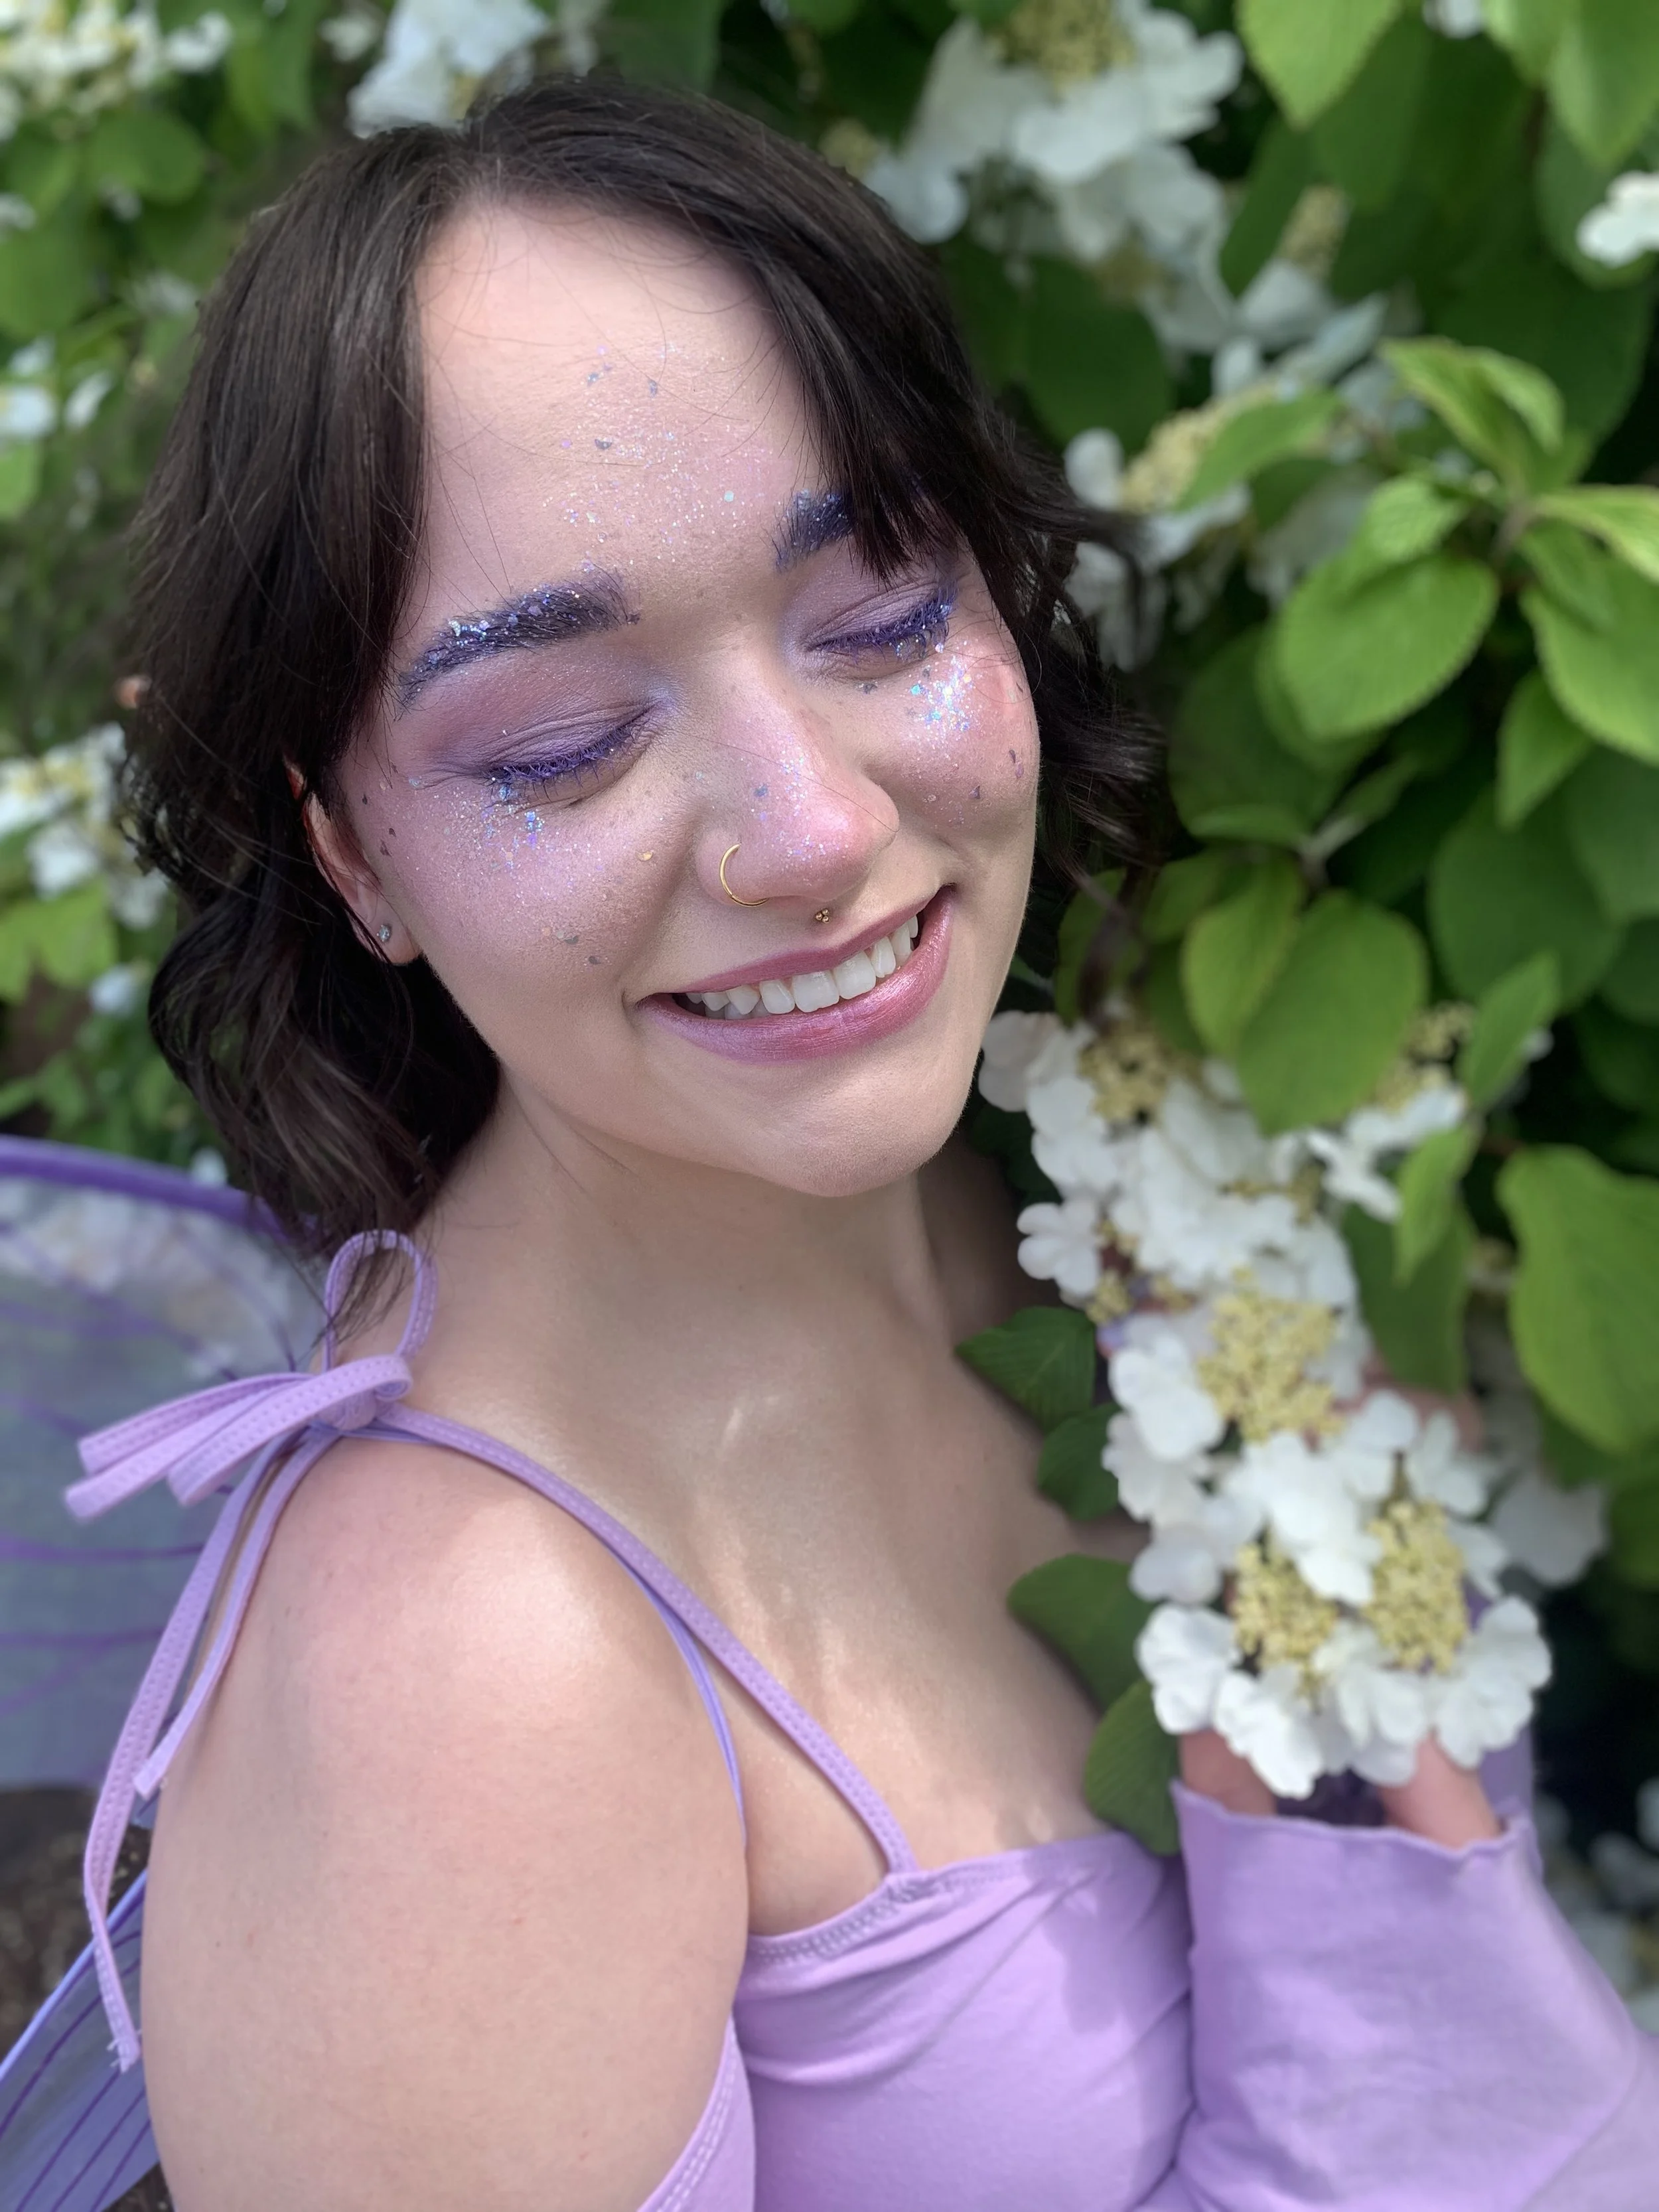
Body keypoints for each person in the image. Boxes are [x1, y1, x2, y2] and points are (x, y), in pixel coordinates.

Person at [12, 76, 1658, 2212]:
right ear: (350, 852)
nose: (812, 832)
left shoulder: (1127, 1195)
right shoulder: (465, 1679)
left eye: (879, 604)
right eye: (561, 736)